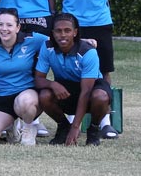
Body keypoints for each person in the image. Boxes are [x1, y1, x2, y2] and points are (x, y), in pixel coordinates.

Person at [34, 12, 113, 146]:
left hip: (91, 90)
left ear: (75, 32)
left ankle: (93, 130)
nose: (63, 35)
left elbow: (86, 91)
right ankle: (63, 127)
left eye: (67, 30)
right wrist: (53, 84)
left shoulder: (88, 52)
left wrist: (76, 127)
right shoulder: (47, 47)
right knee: (44, 95)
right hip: (66, 88)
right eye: (58, 31)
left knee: (100, 96)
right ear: (52, 33)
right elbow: (38, 79)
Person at [0, 8, 49, 145]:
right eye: (0, 24)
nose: (4, 29)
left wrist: (83, 42)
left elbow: (59, 41)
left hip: (27, 94)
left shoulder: (33, 39)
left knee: (24, 102)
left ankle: (28, 128)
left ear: (18, 27)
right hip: (2, 96)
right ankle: (11, 127)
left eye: (9, 25)